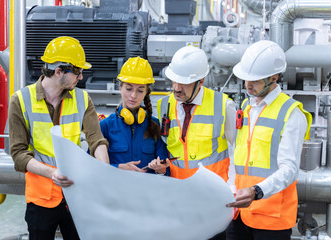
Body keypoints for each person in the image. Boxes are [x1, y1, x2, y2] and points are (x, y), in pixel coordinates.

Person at [8, 36, 109, 240]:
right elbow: (19, 155)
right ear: (59, 71)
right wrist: (51, 173)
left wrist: (104, 171)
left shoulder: (82, 99)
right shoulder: (20, 101)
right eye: (78, 72)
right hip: (41, 199)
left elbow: (96, 140)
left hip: (75, 195)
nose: (80, 77)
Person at [226, 40, 312, 240]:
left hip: (270, 219)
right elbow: (236, 155)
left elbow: (290, 169)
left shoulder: (291, 113)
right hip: (240, 213)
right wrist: (231, 188)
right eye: (246, 79)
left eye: (254, 80)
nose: (248, 85)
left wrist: (256, 191)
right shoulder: (247, 108)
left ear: (274, 77)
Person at [154, 45, 236, 240]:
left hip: (213, 200)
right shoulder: (163, 104)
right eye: (174, 80)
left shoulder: (224, 106)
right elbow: (168, 146)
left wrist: (232, 190)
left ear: (201, 81)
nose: (176, 87)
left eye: (183, 83)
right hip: (178, 199)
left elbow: (238, 151)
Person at [100, 56, 168, 174]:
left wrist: (161, 170)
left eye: (140, 90)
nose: (133, 95)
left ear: (146, 92)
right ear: (120, 87)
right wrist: (118, 167)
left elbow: (166, 171)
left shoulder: (155, 125)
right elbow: (91, 166)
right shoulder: (105, 126)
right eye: (129, 89)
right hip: (115, 191)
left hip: (147, 191)